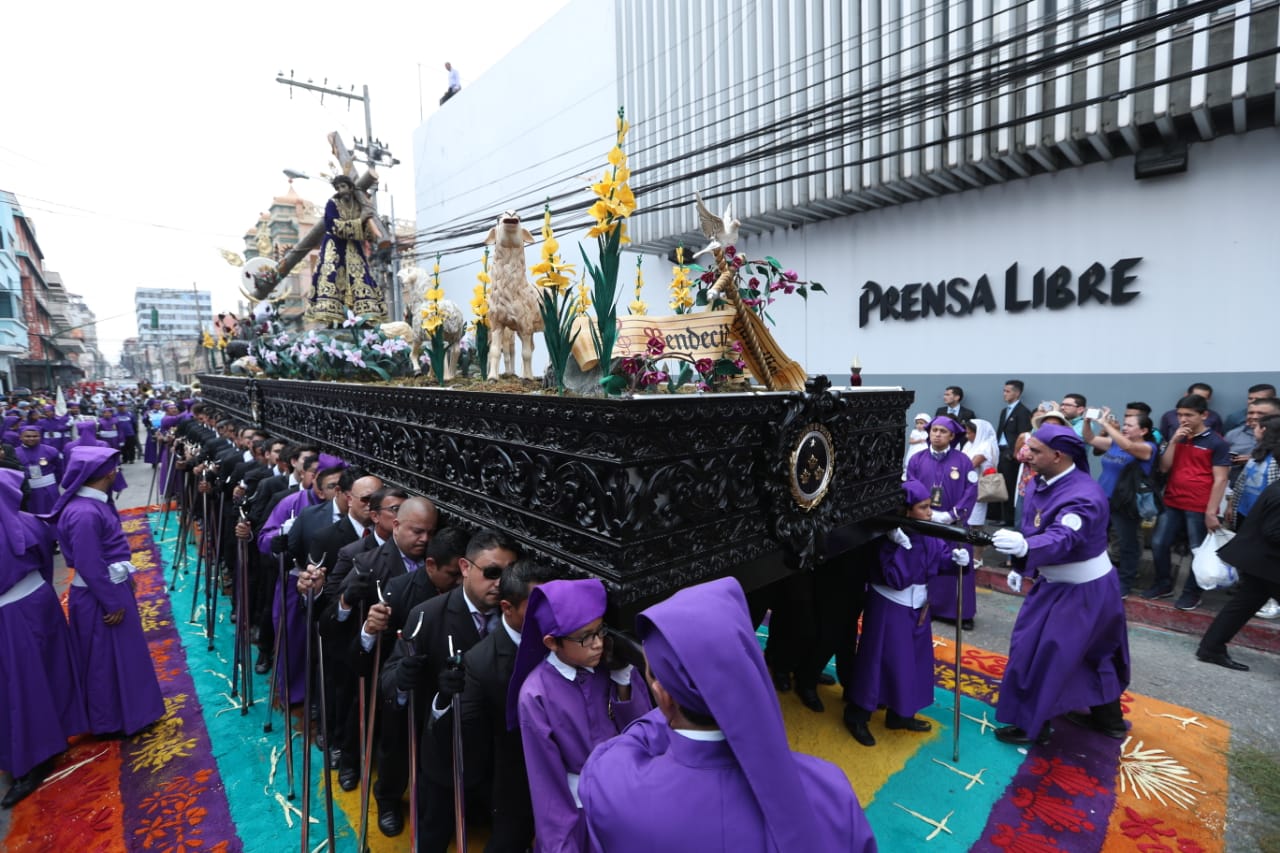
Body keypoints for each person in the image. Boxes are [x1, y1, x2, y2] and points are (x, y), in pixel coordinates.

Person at [579, 576, 878, 852]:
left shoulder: (611, 782)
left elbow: (629, 742)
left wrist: (670, 699)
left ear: (664, 695)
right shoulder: (830, 790)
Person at [989, 424, 1131, 746]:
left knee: (1045, 653)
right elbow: (1033, 525)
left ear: (1058, 455)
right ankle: (1108, 721)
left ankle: (1033, 726)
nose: (1025, 455)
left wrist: (1027, 549)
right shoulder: (1042, 481)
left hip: (1082, 591)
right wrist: (1023, 565)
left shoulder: (1084, 496)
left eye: (1034, 450)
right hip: (1057, 582)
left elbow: (1064, 536)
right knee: (1089, 652)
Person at [507, 579, 651, 852]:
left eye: (600, 631)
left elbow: (643, 732)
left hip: (628, 798)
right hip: (580, 813)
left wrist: (623, 681)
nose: (597, 644)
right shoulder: (536, 695)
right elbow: (546, 785)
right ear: (551, 642)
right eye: (586, 637)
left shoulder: (610, 667)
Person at [49, 446, 165, 737]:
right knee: (104, 660)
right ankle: (112, 720)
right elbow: (89, 562)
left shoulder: (89, 506)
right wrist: (111, 601)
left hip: (107, 587)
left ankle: (129, 713)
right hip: (99, 595)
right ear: (107, 473)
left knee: (121, 655)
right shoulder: (85, 512)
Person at [845, 480, 967, 747]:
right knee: (877, 663)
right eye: (922, 507)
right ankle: (857, 715)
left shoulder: (927, 531)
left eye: (929, 506)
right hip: (890, 605)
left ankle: (900, 713)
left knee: (913, 662)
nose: (929, 512)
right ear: (905, 511)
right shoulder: (888, 539)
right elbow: (896, 577)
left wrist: (957, 561)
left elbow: (938, 559)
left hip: (918, 607)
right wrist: (902, 547)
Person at [450, 559, 560, 852]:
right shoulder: (481, 662)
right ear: (507, 608)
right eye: (535, 606)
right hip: (514, 780)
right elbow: (473, 738)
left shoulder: (565, 639)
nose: (548, 614)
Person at [0, 468, 87, 809]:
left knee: (22, 686)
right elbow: (46, 564)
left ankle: (33, 757)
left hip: (12, 615)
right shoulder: (31, 521)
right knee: (44, 674)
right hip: (38, 601)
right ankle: (52, 733)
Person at [1141, 394, 1231, 610]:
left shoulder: (1216, 442)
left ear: (1204, 415)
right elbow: (1164, 467)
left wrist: (1211, 511)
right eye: (1180, 414)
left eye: (1189, 415)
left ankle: (1192, 592)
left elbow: (1221, 478)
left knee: (1197, 550)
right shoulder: (1178, 437)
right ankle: (1163, 584)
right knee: (1159, 543)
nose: (1183, 419)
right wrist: (1173, 441)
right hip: (1172, 500)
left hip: (1199, 505)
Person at [1195, 478, 1280, 670]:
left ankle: (1211, 648)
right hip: (1268, 564)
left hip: (1262, 563)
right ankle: (1211, 648)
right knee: (1241, 606)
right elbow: (1273, 532)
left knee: (1241, 606)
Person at [906, 415, 977, 629]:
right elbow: (909, 486)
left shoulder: (963, 461)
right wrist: (924, 511)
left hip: (953, 522)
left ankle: (962, 614)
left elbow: (971, 489)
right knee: (929, 562)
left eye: (942, 431)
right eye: (934, 430)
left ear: (952, 435)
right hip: (926, 522)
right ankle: (932, 606)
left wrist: (953, 514)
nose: (936, 434)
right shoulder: (917, 459)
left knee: (959, 562)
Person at [1083, 408, 1158, 597]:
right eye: (1124, 425)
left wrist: (1107, 424)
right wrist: (1087, 421)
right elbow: (1090, 439)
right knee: (1097, 539)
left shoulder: (1148, 447)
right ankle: (1098, 575)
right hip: (1103, 499)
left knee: (1127, 545)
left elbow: (1128, 447)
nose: (1125, 428)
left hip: (1125, 503)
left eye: (1130, 426)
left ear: (1143, 431)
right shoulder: (1115, 443)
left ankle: (1125, 583)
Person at [306, 174, 386, 325]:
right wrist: (360, 220)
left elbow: (366, 233)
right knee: (331, 279)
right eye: (338, 188)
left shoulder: (358, 204)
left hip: (353, 247)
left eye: (343, 186)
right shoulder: (332, 204)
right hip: (334, 247)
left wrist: (368, 227)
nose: (341, 190)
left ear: (350, 187)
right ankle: (332, 319)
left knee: (361, 279)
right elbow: (333, 225)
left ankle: (363, 318)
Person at [1224, 414, 1280, 621]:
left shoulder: (1276, 458)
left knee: (1266, 562)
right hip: (1247, 512)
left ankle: (1271, 601)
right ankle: (1249, 593)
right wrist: (1232, 504)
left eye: (1256, 427)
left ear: (1265, 431)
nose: (1252, 429)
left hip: (1268, 518)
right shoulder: (1256, 453)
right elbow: (1242, 482)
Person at [994, 380, 1034, 526]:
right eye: (1004, 391)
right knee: (1001, 484)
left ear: (1017, 393)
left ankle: (1010, 518)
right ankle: (1001, 515)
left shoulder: (1023, 412)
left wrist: (1012, 453)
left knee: (1010, 486)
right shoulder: (1005, 411)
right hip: (1001, 451)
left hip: (1011, 454)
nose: (1004, 394)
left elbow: (1022, 434)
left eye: (1008, 391)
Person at [962, 418, 998, 567]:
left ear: (979, 433)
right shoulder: (970, 444)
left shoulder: (985, 446)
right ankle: (968, 552)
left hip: (978, 489)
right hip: (967, 487)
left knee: (976, 523)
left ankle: (977, 556)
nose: (967, 435)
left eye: (969, 433)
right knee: (967, 523)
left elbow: (970, 464)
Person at [14, 423, 62, 514]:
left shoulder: (51, 450)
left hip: (49, 489)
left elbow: (60, 470)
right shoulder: (14, 453)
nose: (31, 438)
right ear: (20, 437)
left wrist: (54, 484)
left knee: (52, 514)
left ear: (40, 437)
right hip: (27, 492)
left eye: (35, 436)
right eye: (27, 436)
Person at [1158, 382, 1224, 439]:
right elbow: (1163, 438)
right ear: (1186, 395)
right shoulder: (1169, 415)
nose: (1183, 419)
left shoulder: (1214, 417)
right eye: (1180, 415)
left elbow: (1218, 437)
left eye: (1203, 398)